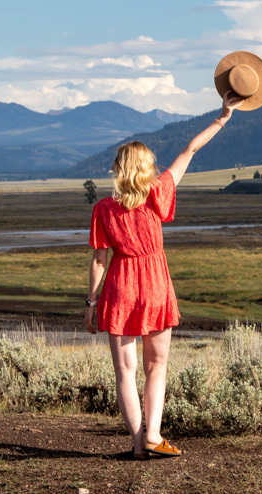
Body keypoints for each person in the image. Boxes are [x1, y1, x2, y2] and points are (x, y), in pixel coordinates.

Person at [84, 90, 244, 459]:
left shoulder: (104, 209)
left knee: (125, 371)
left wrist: (90, 303)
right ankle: (154, 435)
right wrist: (222, 118)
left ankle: (139, 448)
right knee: (157, 366)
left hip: (121, 285)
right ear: (145, 168)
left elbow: (98, 259)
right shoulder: (158, 192)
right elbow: (190, 150)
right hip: (155, 283)